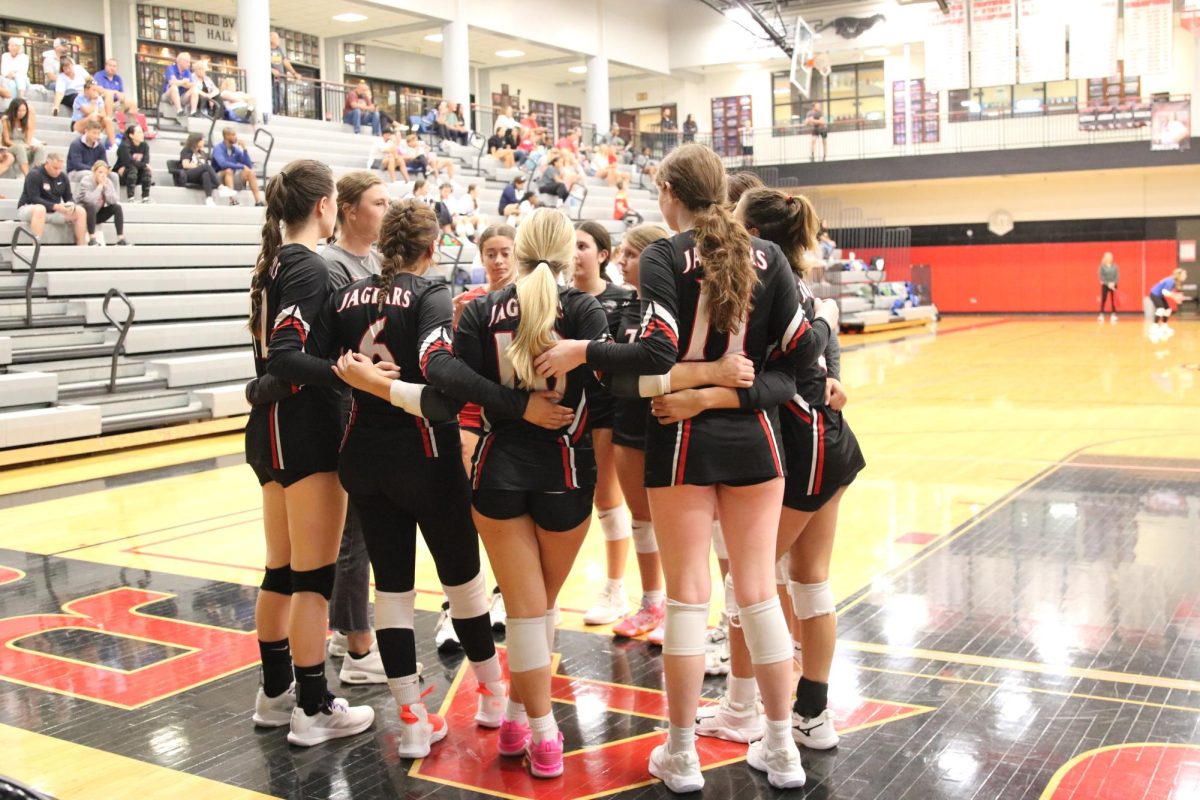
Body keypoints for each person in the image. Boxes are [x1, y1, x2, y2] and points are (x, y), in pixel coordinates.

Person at [533, 143, 830, 792]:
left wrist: (586, 349)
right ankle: (782, 751)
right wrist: (731, 389)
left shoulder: (667, 255)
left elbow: (657, 349)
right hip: (757, 442)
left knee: (689, 598)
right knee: (757, 594)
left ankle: (681, 754)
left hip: (682, 443)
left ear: (668, 191)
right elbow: (804, 369)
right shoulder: (770, 256)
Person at [328, 200, 546, 757]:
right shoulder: (430, 294)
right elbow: (437, 376)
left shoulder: (344, 295)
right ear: (431, 249)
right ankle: (495, 698)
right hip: (423, 452)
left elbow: (324, 364)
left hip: (361, 454)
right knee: (463, 582)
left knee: (393, 587)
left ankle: (412, 723)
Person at [692, 188, 856, 751]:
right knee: (807, 584)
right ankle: (809, 714)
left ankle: (744, 709)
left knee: (747, 583)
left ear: (757, 235)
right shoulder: (806, 290)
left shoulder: (757, 287)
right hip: (831, 444)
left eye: (737, 219)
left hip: (803, 445)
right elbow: (824, 346)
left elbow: (756, 373)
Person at [452, 207, 609, 778]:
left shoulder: (479, 309)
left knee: (524, 611)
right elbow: (612, 388)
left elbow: (455, 384)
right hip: (566, 471)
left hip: (495, 471)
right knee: (538, 607)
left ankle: (523, 717)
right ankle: (542, 733)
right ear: (570, 254)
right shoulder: (587, 309)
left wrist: (514, 406)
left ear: (515, 252)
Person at [244, 158, 376, 746]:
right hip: (305, 432)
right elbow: (286, 357)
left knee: (281, 569)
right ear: (325, 206)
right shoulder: (306, 265)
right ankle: (314, 706)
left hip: (271, 432)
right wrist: (348, 372)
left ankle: (275, 697)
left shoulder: (275, 263)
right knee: (311, 579)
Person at [17, 152, 87, 245]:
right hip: (29, 209)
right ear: (47, 163)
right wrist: (56, 207)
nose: (57, 171)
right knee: (40, 209)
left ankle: (81, 246)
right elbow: (34, 198)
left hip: (53, 212)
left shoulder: (63, 177)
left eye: (60, 168)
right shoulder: (34, 174)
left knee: (80, 211)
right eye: (55, 168)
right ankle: (36, 246)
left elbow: (68, 197)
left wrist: (70, 205)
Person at [75, 160, 128, 246]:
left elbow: (113, 201)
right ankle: (92, 238)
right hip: (84, 214)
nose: (103, 175)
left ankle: (120, 239)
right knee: (91, 206)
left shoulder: (108, 182)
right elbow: (89, 200)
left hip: (97, 213)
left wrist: (106, 188)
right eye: (100, 172)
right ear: (94, 172)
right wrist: (99, 187)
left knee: (117, 207)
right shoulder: (86, 180)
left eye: (105, 173)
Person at [212, 126, 264, 207]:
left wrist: (245, 149)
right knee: (228, 170)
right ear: (226, 136)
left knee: (250, 172)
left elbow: (248, 166)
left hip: (231, 178)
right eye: (233, 135)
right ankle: (233, 200)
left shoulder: (235, 150)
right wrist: (241, 166)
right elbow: (222, 164)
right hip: (218, 178)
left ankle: (258, 201)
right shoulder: (218, 148)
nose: (236, 137)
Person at [179, 132, 225, 207]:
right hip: (189, 174)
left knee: (206, 174)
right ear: (196, 141)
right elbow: (185, 165)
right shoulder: (186, 150)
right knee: (206, 167)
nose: (204, 142)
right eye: (202, 140)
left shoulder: (202, 153)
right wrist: (199, 166)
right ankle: (220, 187)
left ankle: (209, 199)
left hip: (200, 175)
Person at [3, 99, 47, 175]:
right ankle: (27, 176)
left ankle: (38, 174)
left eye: (24, 110)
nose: (21, 113)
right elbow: (7, 141)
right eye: (19, 110)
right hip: (11, 147)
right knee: (19, 148)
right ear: (14, 110)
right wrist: (22, 146)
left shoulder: (26, 122)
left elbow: (27, 140)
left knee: (40, 148)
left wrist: (30, 146)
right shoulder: (6, 120)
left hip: (24, 147)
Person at [115, 123, 152, 203]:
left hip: (136, 174)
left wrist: (143, 165)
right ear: (131, 135)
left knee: (146, 170)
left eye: (142, 132)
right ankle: (130, 198)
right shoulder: (124, 146)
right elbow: (128, 162)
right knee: (132, 169)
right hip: (122, 175)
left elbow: (146, 161)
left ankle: (145, 197)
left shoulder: (145, 145)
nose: (142, 134)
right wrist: (143, 165)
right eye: (139, 132)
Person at [1149, 268, 1187, 343]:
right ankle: (1153, 327)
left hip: (1159, 295)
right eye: (1184, 274)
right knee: (1160, 309)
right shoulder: (1171, 281)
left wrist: (1174, 296)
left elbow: (1166, 292)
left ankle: (1164, 326)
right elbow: (1164, 291)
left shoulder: (1174, 281)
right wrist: (1175, 297)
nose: (1185, 276)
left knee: (1168, 310)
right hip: (1155, 294)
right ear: (1179, 275)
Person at [72, 79, 115, 145]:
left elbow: (103, 114)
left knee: (107, 119)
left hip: (95, 121)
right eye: (93, 90)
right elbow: (88, 112)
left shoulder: (99, 98)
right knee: (93, 116)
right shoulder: (79, 99)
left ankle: (113, 145)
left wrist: (98, 115)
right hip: (78, 124)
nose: (95, 92)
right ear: (86, 90)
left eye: (96, 90)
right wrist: (94, 101)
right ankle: (96, 135)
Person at [270, 31, 299, 115]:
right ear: (271, 39)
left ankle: (277, 113)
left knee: (280, 99)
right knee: (273, 98)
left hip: (281, 79)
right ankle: (273, 114)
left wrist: (294, 73)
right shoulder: (265, 49)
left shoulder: (279, 49)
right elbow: (260, 62)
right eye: (277, 38)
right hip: (271, 80)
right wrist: (271, 70)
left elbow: (285, 62)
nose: (278, 40)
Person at [163, 52, 198, 121]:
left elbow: (191, 84)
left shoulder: (187, 71)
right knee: (174, 87)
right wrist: (183, 82)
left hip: (181, 96)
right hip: (168, 95)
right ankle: (179, 110)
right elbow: (172, 83)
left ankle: (193, 112)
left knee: (194, 89)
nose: (188, 64)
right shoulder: (171, 68)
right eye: (187, 62)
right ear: (180, 61)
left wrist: (179, 82)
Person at [1099, 252, 1118, 323]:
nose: (1110, 258)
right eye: (1109, 257)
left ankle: (1114, 314)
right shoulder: (1102, 266)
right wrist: (1108, 284)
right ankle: (1101, 314)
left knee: (1114, 300)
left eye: (1111, 257)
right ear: (1106, 258)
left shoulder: (1115, 266)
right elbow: (1101, 276)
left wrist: (1114, 283)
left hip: (1113, 285)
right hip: (1105, 285)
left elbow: (1117, 275)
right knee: (1104, 299)